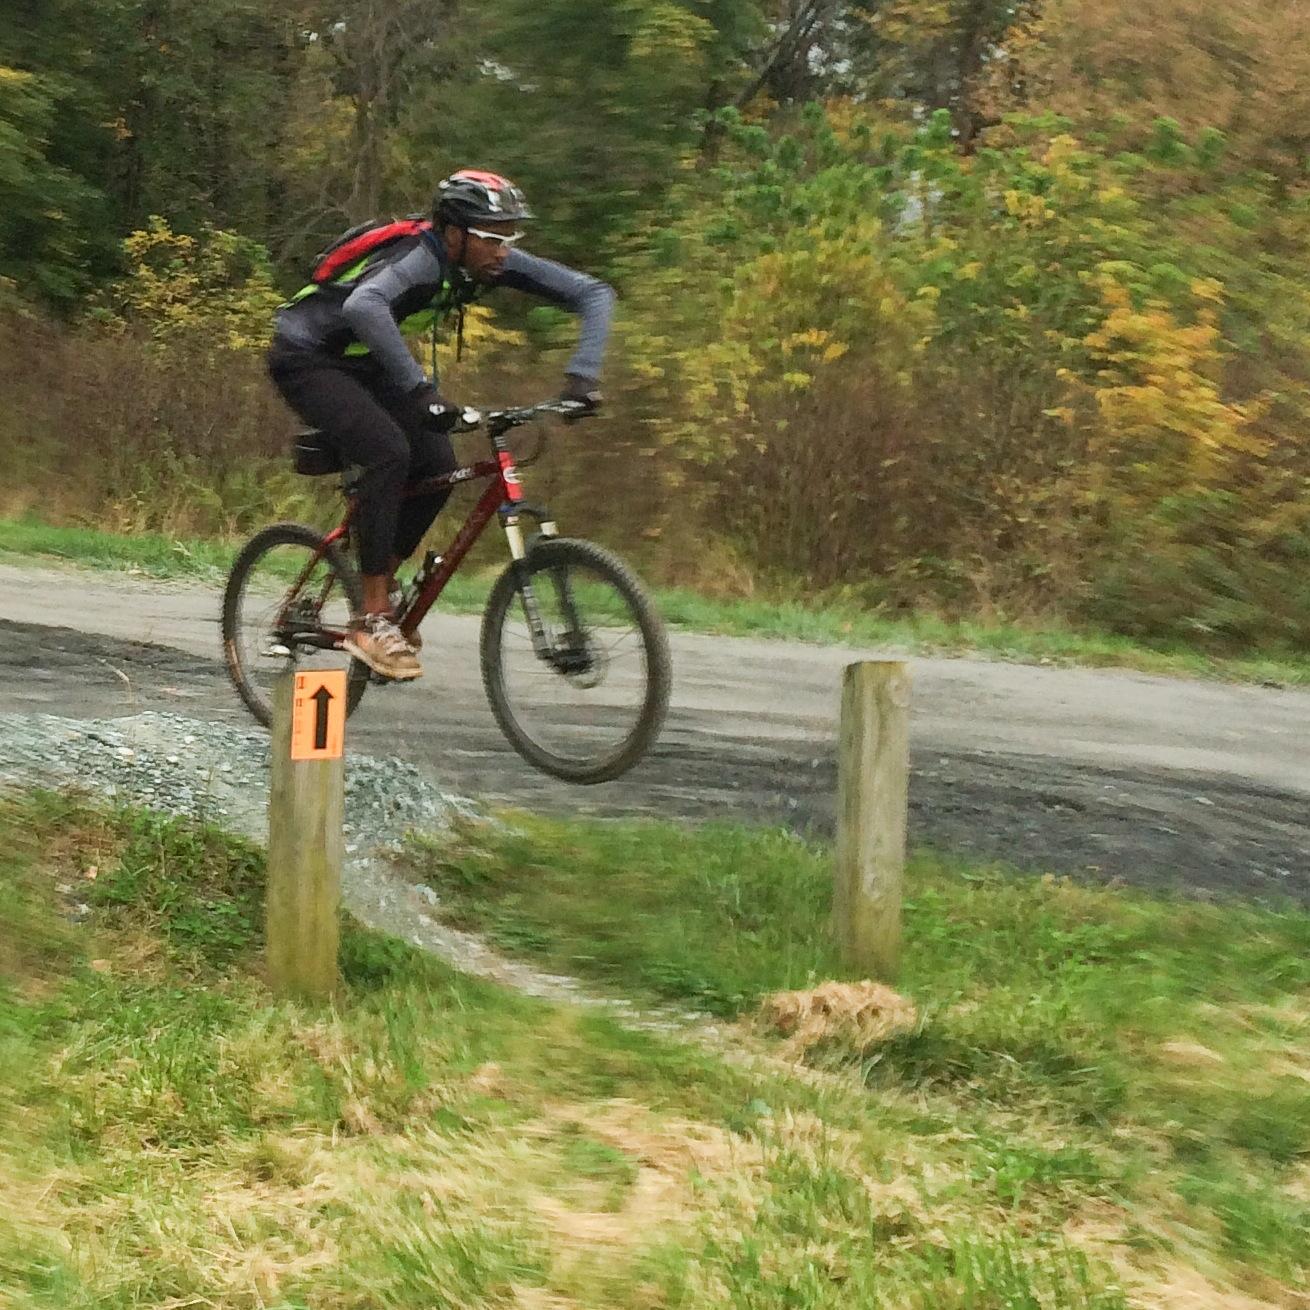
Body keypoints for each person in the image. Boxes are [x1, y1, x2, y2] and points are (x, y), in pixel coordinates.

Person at [266, 169, 615, 680]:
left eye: (510, 237)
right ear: (454, 232)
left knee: (438, 465)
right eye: (492, 237)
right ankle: (373, 616)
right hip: (307, 357)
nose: (503, 250)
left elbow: (594, 294)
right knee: (389, 451)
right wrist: (421, 392)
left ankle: (379, 575)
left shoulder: (485, 264)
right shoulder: (418, 258)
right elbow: (365, 304)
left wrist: (582, 378)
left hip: (365, 362)